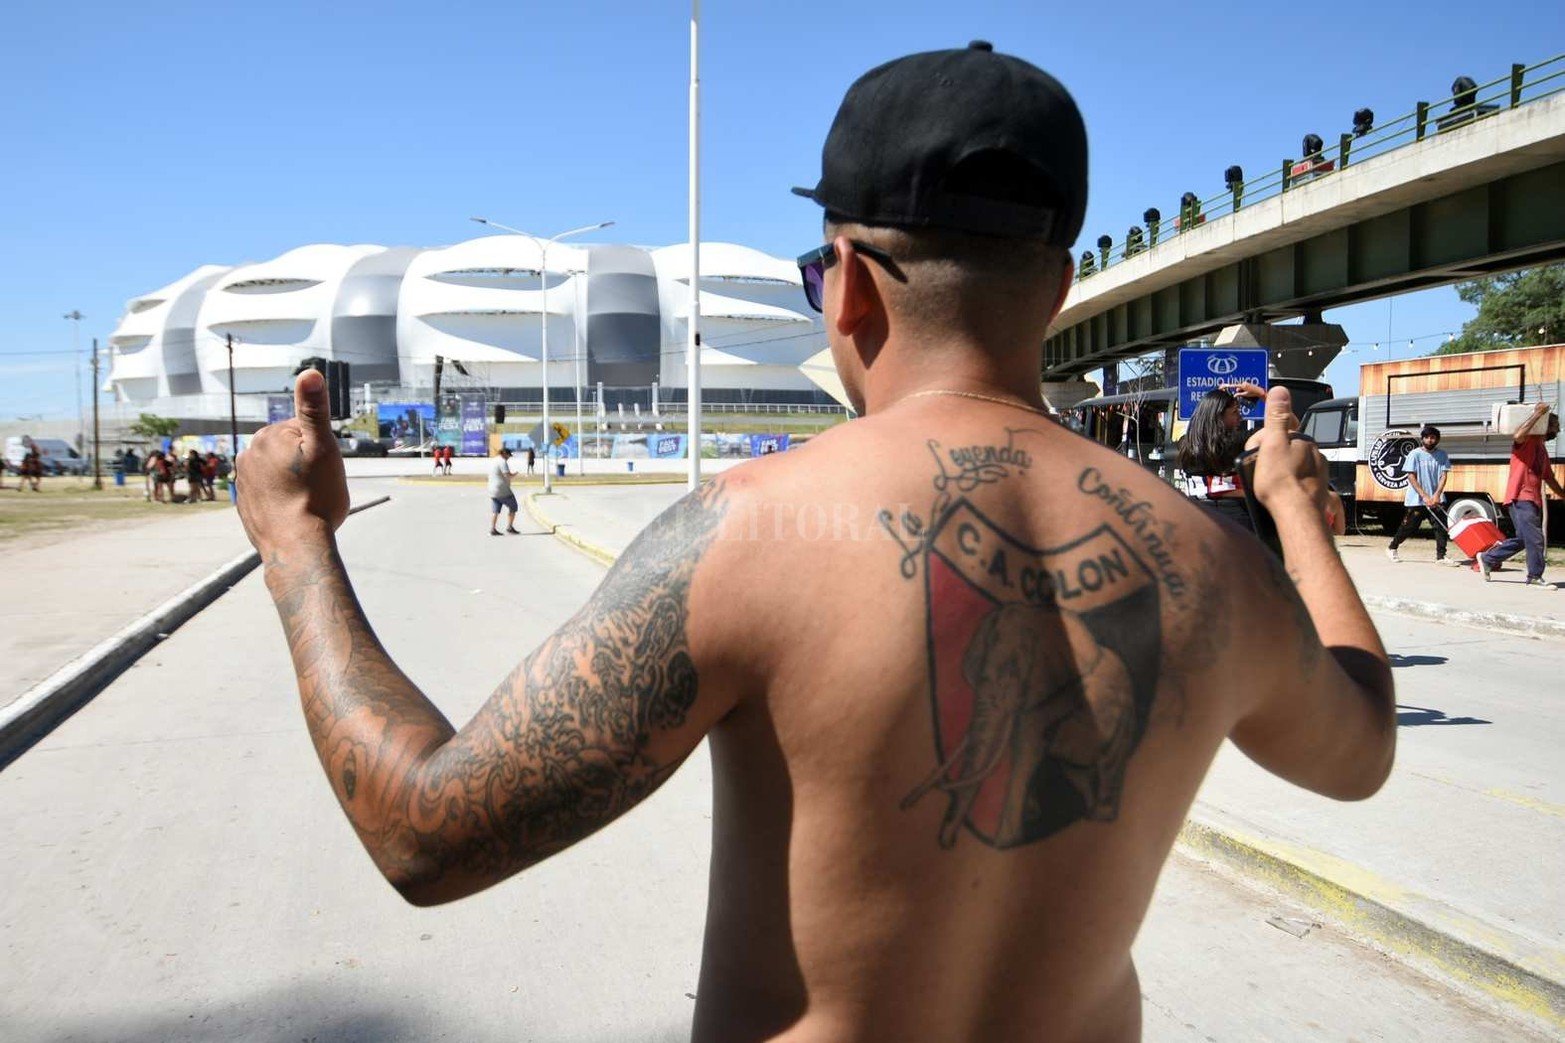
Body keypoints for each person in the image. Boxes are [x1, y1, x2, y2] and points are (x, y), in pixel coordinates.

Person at [236, 43, 1394, 1042]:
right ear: (1056, 289)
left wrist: (296, 541)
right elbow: (1358, 749)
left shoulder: (750, 533)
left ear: (843, 283)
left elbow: (425, 834)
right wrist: (1290, 507)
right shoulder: (1212, 560)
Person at [1477, 403, 1562, 588]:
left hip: (1532, 500)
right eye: (1555, 424)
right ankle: (1535, 576)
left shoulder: (1542, 450)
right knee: (1536, 538)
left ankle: (1488, 558)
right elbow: (1518, 435)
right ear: (1544, 424)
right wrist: (1537, 414)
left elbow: (1550, 478)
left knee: (1525, 539)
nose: (1558, 429)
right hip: (1521, 497)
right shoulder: (1527, 442)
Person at [1175, 384, 1264, 530]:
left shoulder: (1185, 444)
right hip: (1235, 515)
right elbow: (1289, 427)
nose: (1240, 417)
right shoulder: (1237, 442)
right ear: (1218, 416)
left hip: (1195, 514)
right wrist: (1262, 395)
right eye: (1235, 412)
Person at [1387, 426, 1455, 564]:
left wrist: (1437, 495)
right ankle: (1392, 548)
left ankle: (1441, 557)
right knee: (1409, 527)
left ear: (1437, 439)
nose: (1430, 440)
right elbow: (1411, 476)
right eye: (1427, 437)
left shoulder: (1442, 454)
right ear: (1423, 439)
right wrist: (1424, 496)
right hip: (1417, 499)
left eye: (1433, 437)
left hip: (1436, 499)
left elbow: (1443, 475)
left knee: (1440, 527)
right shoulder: (1415, 454)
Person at [486, 447, 520, 536]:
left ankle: (492, 529)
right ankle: (509, 527)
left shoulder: (494, 460)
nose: (509, 457)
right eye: (508, 455)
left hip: (492, 490)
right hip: (502, 490)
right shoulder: (502, 461)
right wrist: (515, 474)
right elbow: (507, 475)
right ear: (504, 454)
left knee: (495, 511)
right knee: (513, 507)